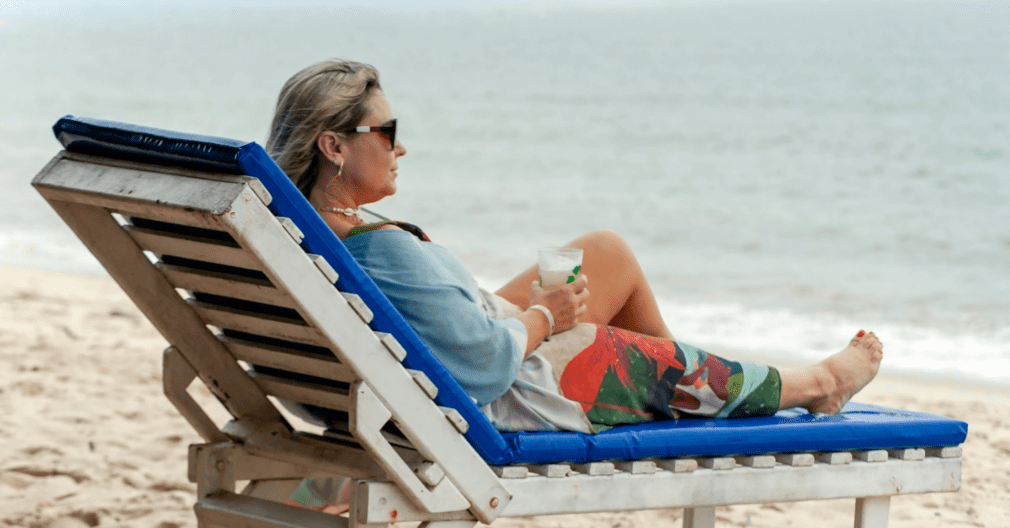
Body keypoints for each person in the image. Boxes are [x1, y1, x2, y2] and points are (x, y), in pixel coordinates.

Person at [266, 58, 883, 435]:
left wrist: (528, 314)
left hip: (415, 366)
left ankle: (693, 391)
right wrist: (545, 317)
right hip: (510, 390)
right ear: (334, 146)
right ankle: (816, 385)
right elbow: (482, 365)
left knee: (604, 251)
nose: (401, 148)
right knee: (614, 342)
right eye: (389, 132)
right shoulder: (377, 249)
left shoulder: (293, 232)